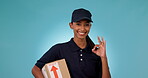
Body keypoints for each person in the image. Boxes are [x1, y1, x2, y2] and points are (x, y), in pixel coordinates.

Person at [32, 8, 111, 78]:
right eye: (78, 24)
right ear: (71, 25)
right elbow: (36, 69)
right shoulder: (59, 49)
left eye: (86, 25)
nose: (82, 29)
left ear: (90, 26)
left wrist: (103, 57)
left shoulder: (96, 53)